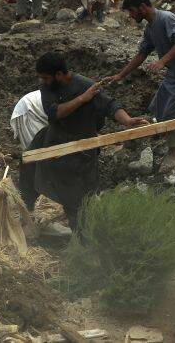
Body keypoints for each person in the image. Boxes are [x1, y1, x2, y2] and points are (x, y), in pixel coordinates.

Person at [20, 52, 147, 230]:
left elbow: (110, 105)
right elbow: (55, 113)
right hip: (52, 140)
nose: (42, 81)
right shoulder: (48, 88)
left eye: (46, 77)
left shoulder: (85, 85)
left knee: (77, 203)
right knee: (28, 168)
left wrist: (127, 120)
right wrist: (82, 99)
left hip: (80, 150)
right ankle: (25, 216)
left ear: (58, 74)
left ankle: (82, 245)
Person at [105, 0, 175, 174]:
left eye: (131, 11)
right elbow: (142, 53)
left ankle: (174, 153)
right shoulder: (150, 28)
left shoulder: (167, 18)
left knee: (173, 112)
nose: (130, 16)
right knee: (160, 105)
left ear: (142, 7)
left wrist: (162, 62)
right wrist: (120, 75)